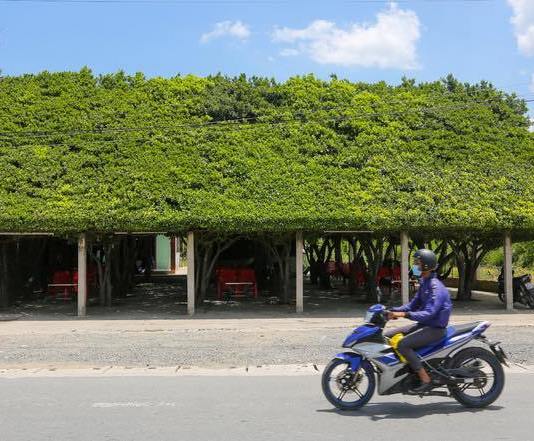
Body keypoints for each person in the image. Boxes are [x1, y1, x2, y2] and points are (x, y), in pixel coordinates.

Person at [384, 248, 452, 393]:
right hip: (425, 325)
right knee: (388, 336)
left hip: (435, 329)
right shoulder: (425, 283)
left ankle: (425, 379)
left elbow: (429, 313)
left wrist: (404, 315)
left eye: (417, 262)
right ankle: (406, 370)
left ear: (426, 265)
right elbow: (411, 305)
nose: (414, 265)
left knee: (403, 345)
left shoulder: (435, 287)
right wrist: (391, 310)